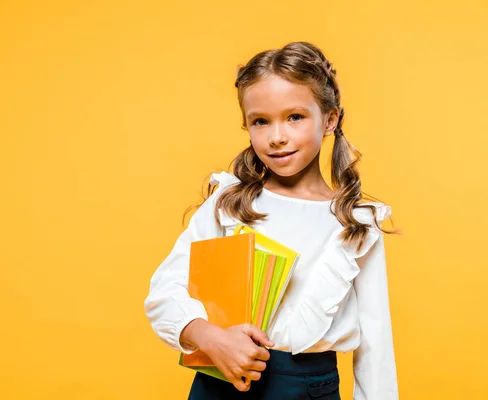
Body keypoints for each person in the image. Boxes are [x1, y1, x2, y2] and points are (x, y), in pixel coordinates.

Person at [144, 41, 400, 400]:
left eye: (295, 117)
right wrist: (208, 336)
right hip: (221, 381)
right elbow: (164, 292)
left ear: (330, 119)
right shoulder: (230, 202)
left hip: (308, 389)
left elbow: (375, 345)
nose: (277, 137)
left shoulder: (355, 225)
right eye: (260, 121)